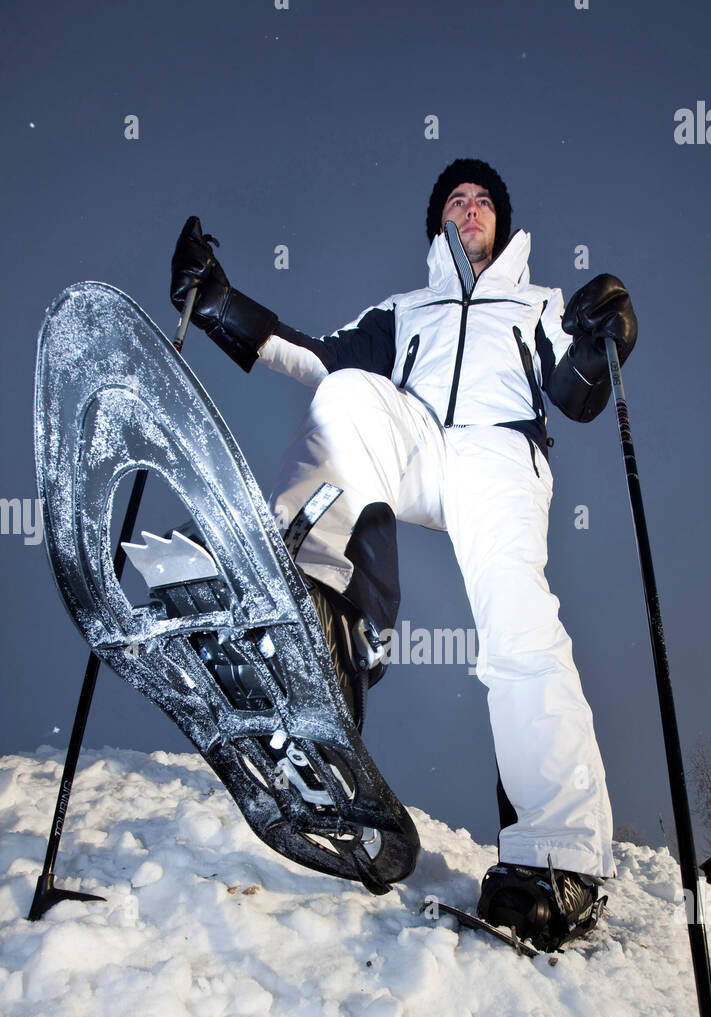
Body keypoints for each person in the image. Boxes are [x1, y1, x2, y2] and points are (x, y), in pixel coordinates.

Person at [170, 157, 637, 950]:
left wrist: (604, 338)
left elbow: (575, 394)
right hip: (421, 438)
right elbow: (318, 356)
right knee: (349, 395)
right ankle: (313, 623)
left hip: (498, 453)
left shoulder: (539, 302)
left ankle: (557, 858)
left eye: (483, 199)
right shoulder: (405, 308)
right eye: (456, 199)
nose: (470, 207)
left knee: (516, 617)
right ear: (438, 222)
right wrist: (219, 306)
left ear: (502, 221)